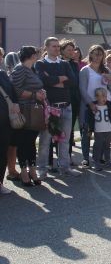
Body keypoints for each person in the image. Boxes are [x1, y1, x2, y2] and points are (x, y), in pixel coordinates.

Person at [35, 37, 80, 179]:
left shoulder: (65, 64)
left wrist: (53, 80)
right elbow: (43, 81)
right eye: (53, 46)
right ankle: (42, 169)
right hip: (50, 108)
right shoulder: (40, 64)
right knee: (45, 141)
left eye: (57, 46)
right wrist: (62, 79)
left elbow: (73, 82)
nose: (56, 49)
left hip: (66, 106)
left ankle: (65, 167)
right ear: (46, 48)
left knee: (65, 140)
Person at [10, 46, 46, 186]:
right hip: (24, 110)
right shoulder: (20, 69)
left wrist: (41, 92)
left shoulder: (32, 69)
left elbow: (34, 86)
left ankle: (32, 170)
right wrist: (34, 95)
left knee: (31, 142)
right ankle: (24, 171)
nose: (38, 55)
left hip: (35, 110)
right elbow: (15, 89)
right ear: (31, 55)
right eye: (36, 53)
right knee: (23, 142)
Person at [79, 45, 111, 168]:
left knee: (103, 135)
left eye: (100, 54)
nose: (97, 56)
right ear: (90, 54)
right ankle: (86, 158)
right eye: (95, 54)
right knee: (87, 133)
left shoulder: (106, 70)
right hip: (89, 105)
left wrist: (110, 80)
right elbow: (82, 89)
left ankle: (100, 158)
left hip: (104, 106)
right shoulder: (85, 70)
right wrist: (90, 104)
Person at [59, 40, 81, 165]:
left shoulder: (74, 64)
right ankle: (57, 158)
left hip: (74, 100)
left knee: (70, 130)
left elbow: (75, 81)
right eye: (69, 49)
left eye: (73, 50)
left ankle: (68, 156)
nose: (72, 52)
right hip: (61, 99)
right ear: (62, 51)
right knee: (58, 130)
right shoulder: (59, 63)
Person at [0, 68, 19, 194]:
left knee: (2, 152)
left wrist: (15, 103)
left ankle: (0, 183)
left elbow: (12, 91)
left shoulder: (2, 74)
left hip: (5, 120)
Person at [90, 88, 111, 171]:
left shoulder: (109, 107)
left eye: (105, 96)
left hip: (108, 130)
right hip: (98, 131)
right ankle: (96, 162)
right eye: (102, 96)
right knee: (98, 147)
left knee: (107, 146)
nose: (104, 98)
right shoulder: (94, 107)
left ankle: (107, 162)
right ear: (96, 97)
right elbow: (91, 119)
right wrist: (90, 129)